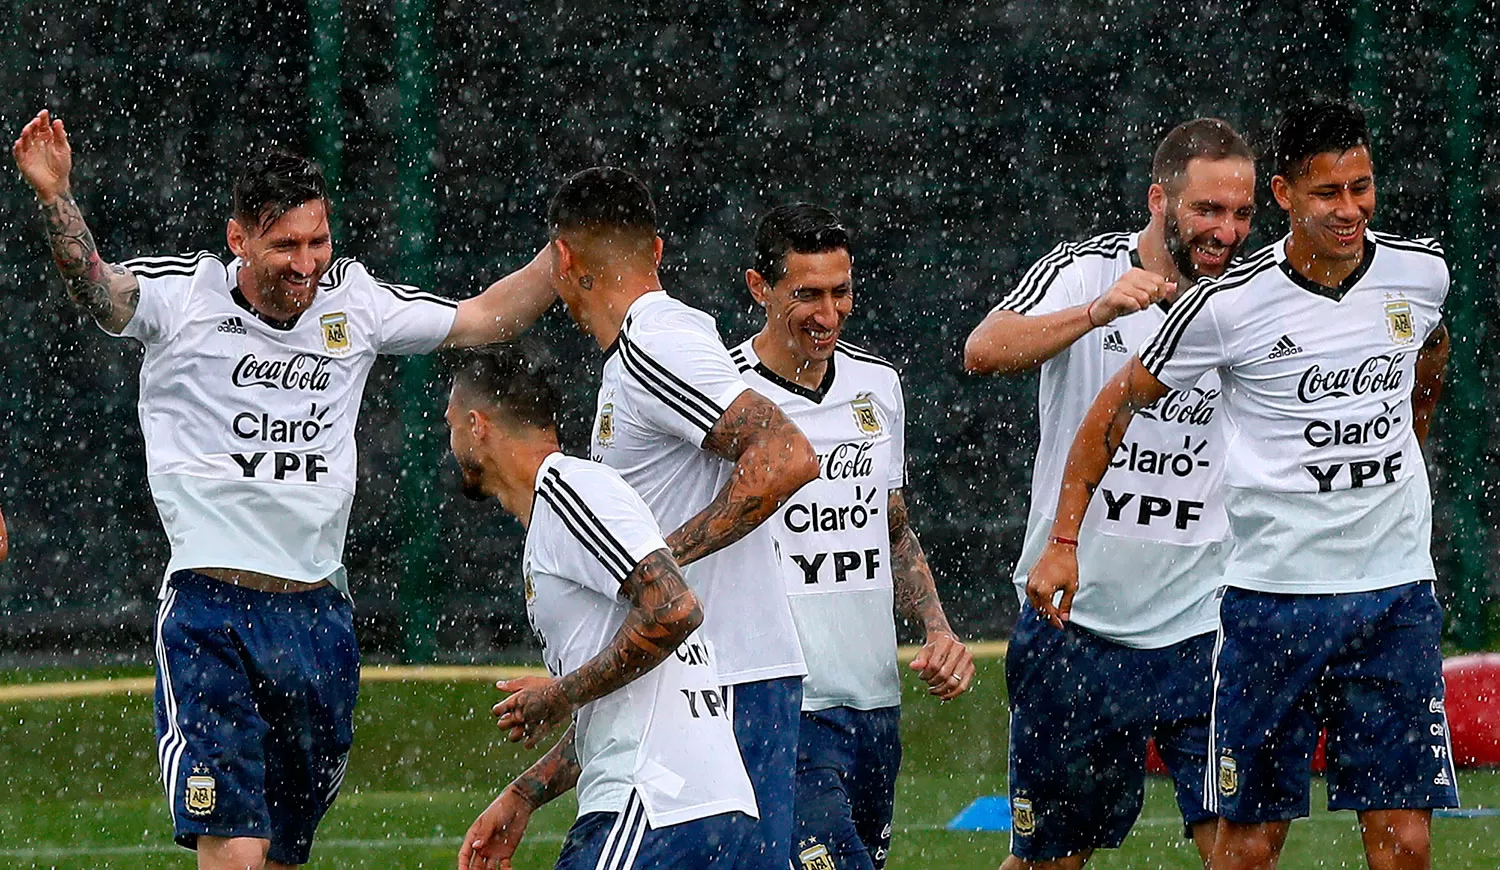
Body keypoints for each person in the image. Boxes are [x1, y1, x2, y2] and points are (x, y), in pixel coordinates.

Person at [11, 110, 556, 870]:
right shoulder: (185, 297)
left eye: (317, 241)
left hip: (317, 620)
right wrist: (56, 197)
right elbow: (99, 291)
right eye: (285, 245)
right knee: (233, 848)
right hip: (211, 614)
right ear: (239, 239)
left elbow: (487, 316)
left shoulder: (355, 302)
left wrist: (570, 244)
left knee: (282, 855)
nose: (307, 264)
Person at [1027, 100, 1456, 870]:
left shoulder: (1421, 274)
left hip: (1394, 594)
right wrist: (1063, 541)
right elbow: (1112, 408)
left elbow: (1429, 360)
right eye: (1329, 193)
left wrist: (1410, 445)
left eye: (1362, 188)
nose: (1350, 209)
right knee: (1248, 846)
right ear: (1287, 195)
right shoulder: (1227, 306)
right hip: (1271, 604)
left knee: (1407, 842)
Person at [965, 118, 1257, 869]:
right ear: (1159, 200)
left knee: (1242, 852)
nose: (1227, 231)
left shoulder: (1254, 298)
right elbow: (983, 348)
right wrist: (1097, 313)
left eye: (1242, 213)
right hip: (1079, 624)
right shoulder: (1085, 269)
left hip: (1205, 629)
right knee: (1050, 862)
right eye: (1208, 211)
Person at [537, 166, 819, 868]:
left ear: (563, 261)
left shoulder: (650, 344)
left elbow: (785, 454)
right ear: (656, 251)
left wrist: (662, 559)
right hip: (710, 677)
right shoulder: (647, 348)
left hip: (725, 682)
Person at [728, 203, 974, 870]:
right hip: (781, 704)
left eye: (841, 293)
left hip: (873, 700)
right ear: (760, 289)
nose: (829, 314)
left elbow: (890, 525)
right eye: (807, 294)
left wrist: (938, 629)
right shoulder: (721, 393)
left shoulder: (878, 385)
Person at [448, 352, 758, 870]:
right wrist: (524, 795)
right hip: (703, 808)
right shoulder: (566, 506)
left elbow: (676, 609)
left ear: (477, 426)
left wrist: (557, 695)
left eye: (451, 426)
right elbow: (623, 704)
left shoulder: (567, 488)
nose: (451, 443)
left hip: (652, 806)